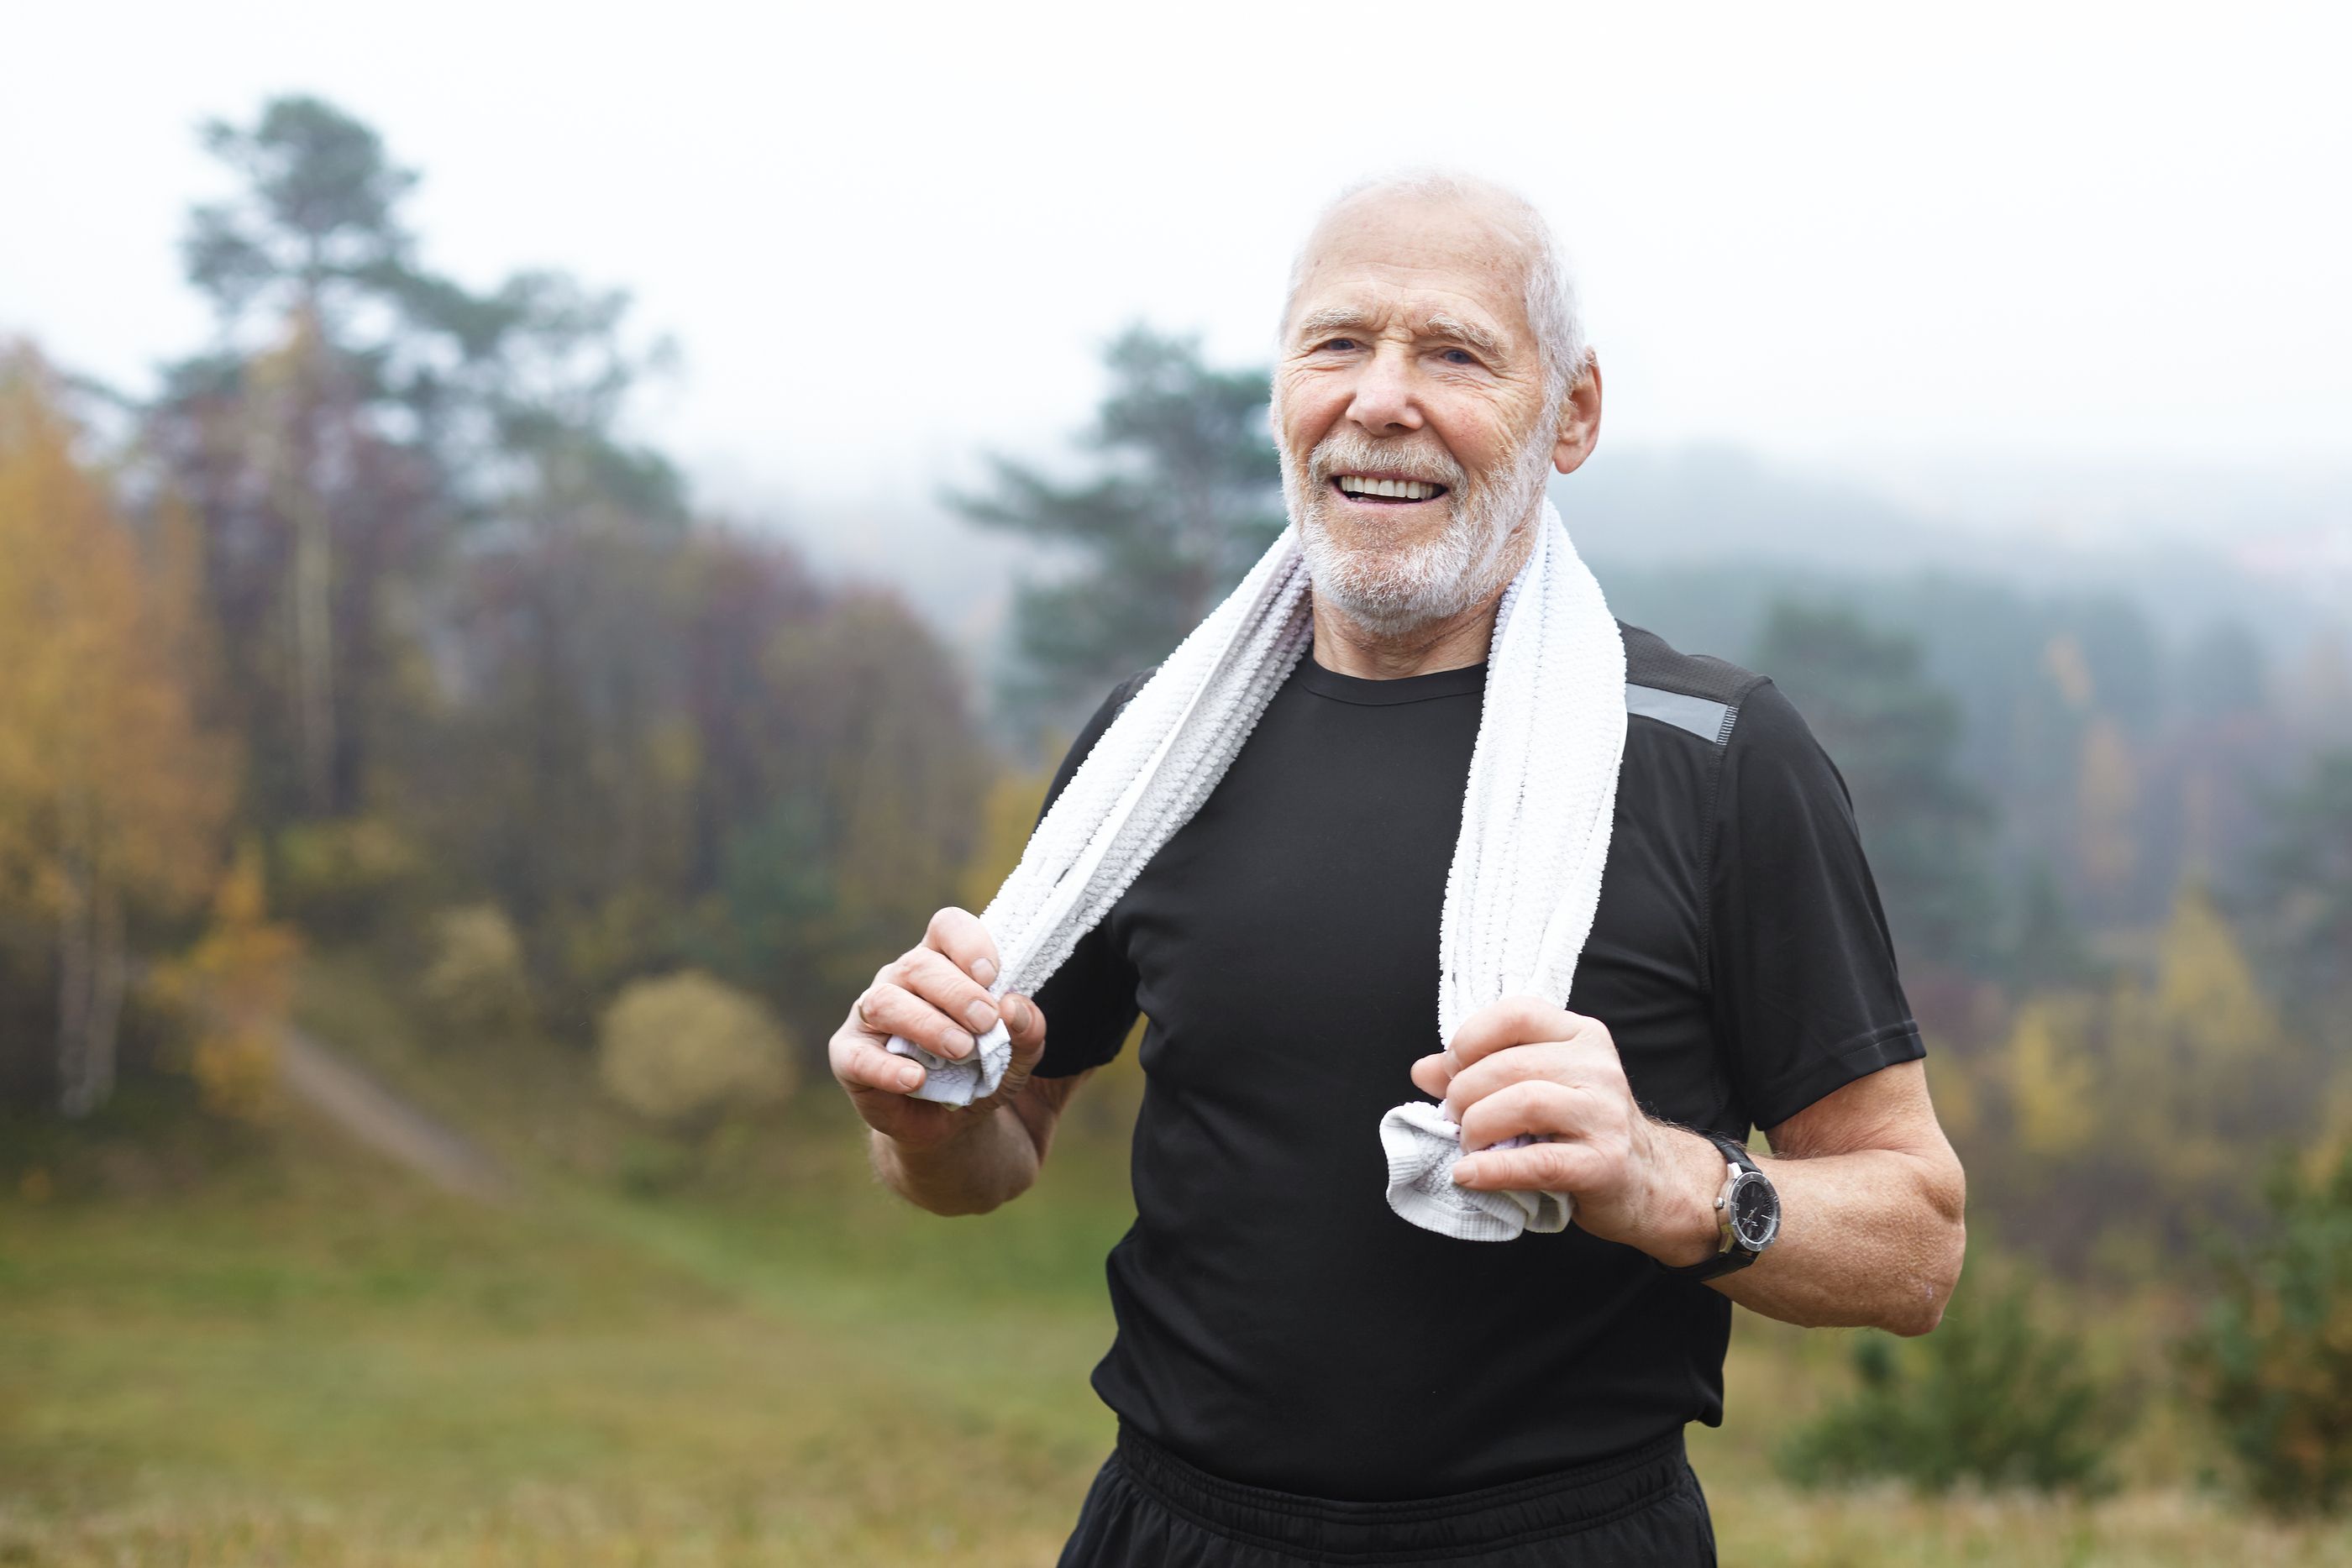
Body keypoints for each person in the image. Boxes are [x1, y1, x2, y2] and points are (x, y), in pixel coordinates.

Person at [827, 171, 1966, 1566]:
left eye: (1454, 352)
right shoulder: (1155, 749)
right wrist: (926, 1119)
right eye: (1337, 343)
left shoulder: (1714, 758)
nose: (1380, 399)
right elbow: (999, 1151)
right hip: (1175, 1531)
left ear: (1576, 413)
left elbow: (1916, 1241)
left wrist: (1668, 1184)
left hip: (1561, 1540)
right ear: (1281, 390)